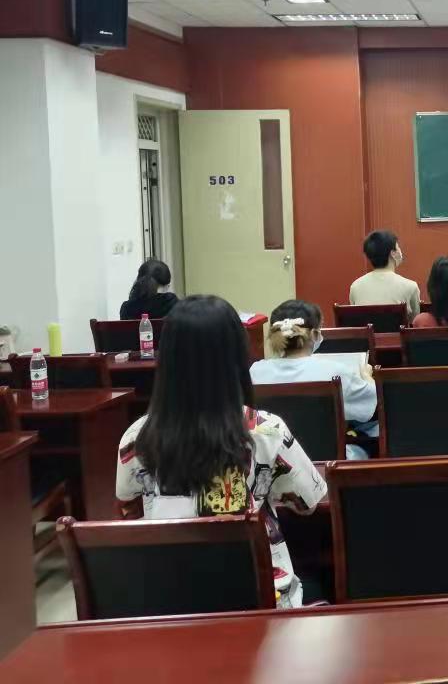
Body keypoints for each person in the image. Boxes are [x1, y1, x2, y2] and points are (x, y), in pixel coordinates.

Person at [116, 296, 326, 608]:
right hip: (258, 600)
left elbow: (128, 508)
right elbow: (308, 502)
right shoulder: (266, 430)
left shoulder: (136, 437)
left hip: (168, 602)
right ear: (238, 357)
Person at [249, 299, 377, 459]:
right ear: (315, 334)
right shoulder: (335, 371)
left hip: (275, 463)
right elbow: (368, 407)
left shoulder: (256, 371)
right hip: (327, 462)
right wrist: (367, 376)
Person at [349, 230, 421, 322]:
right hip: (397, 332)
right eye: (398, 247)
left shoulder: (355, 287)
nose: (400, 251)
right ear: (393, 253)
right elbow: (414, 323)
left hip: (367, 331)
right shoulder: (410, 286)